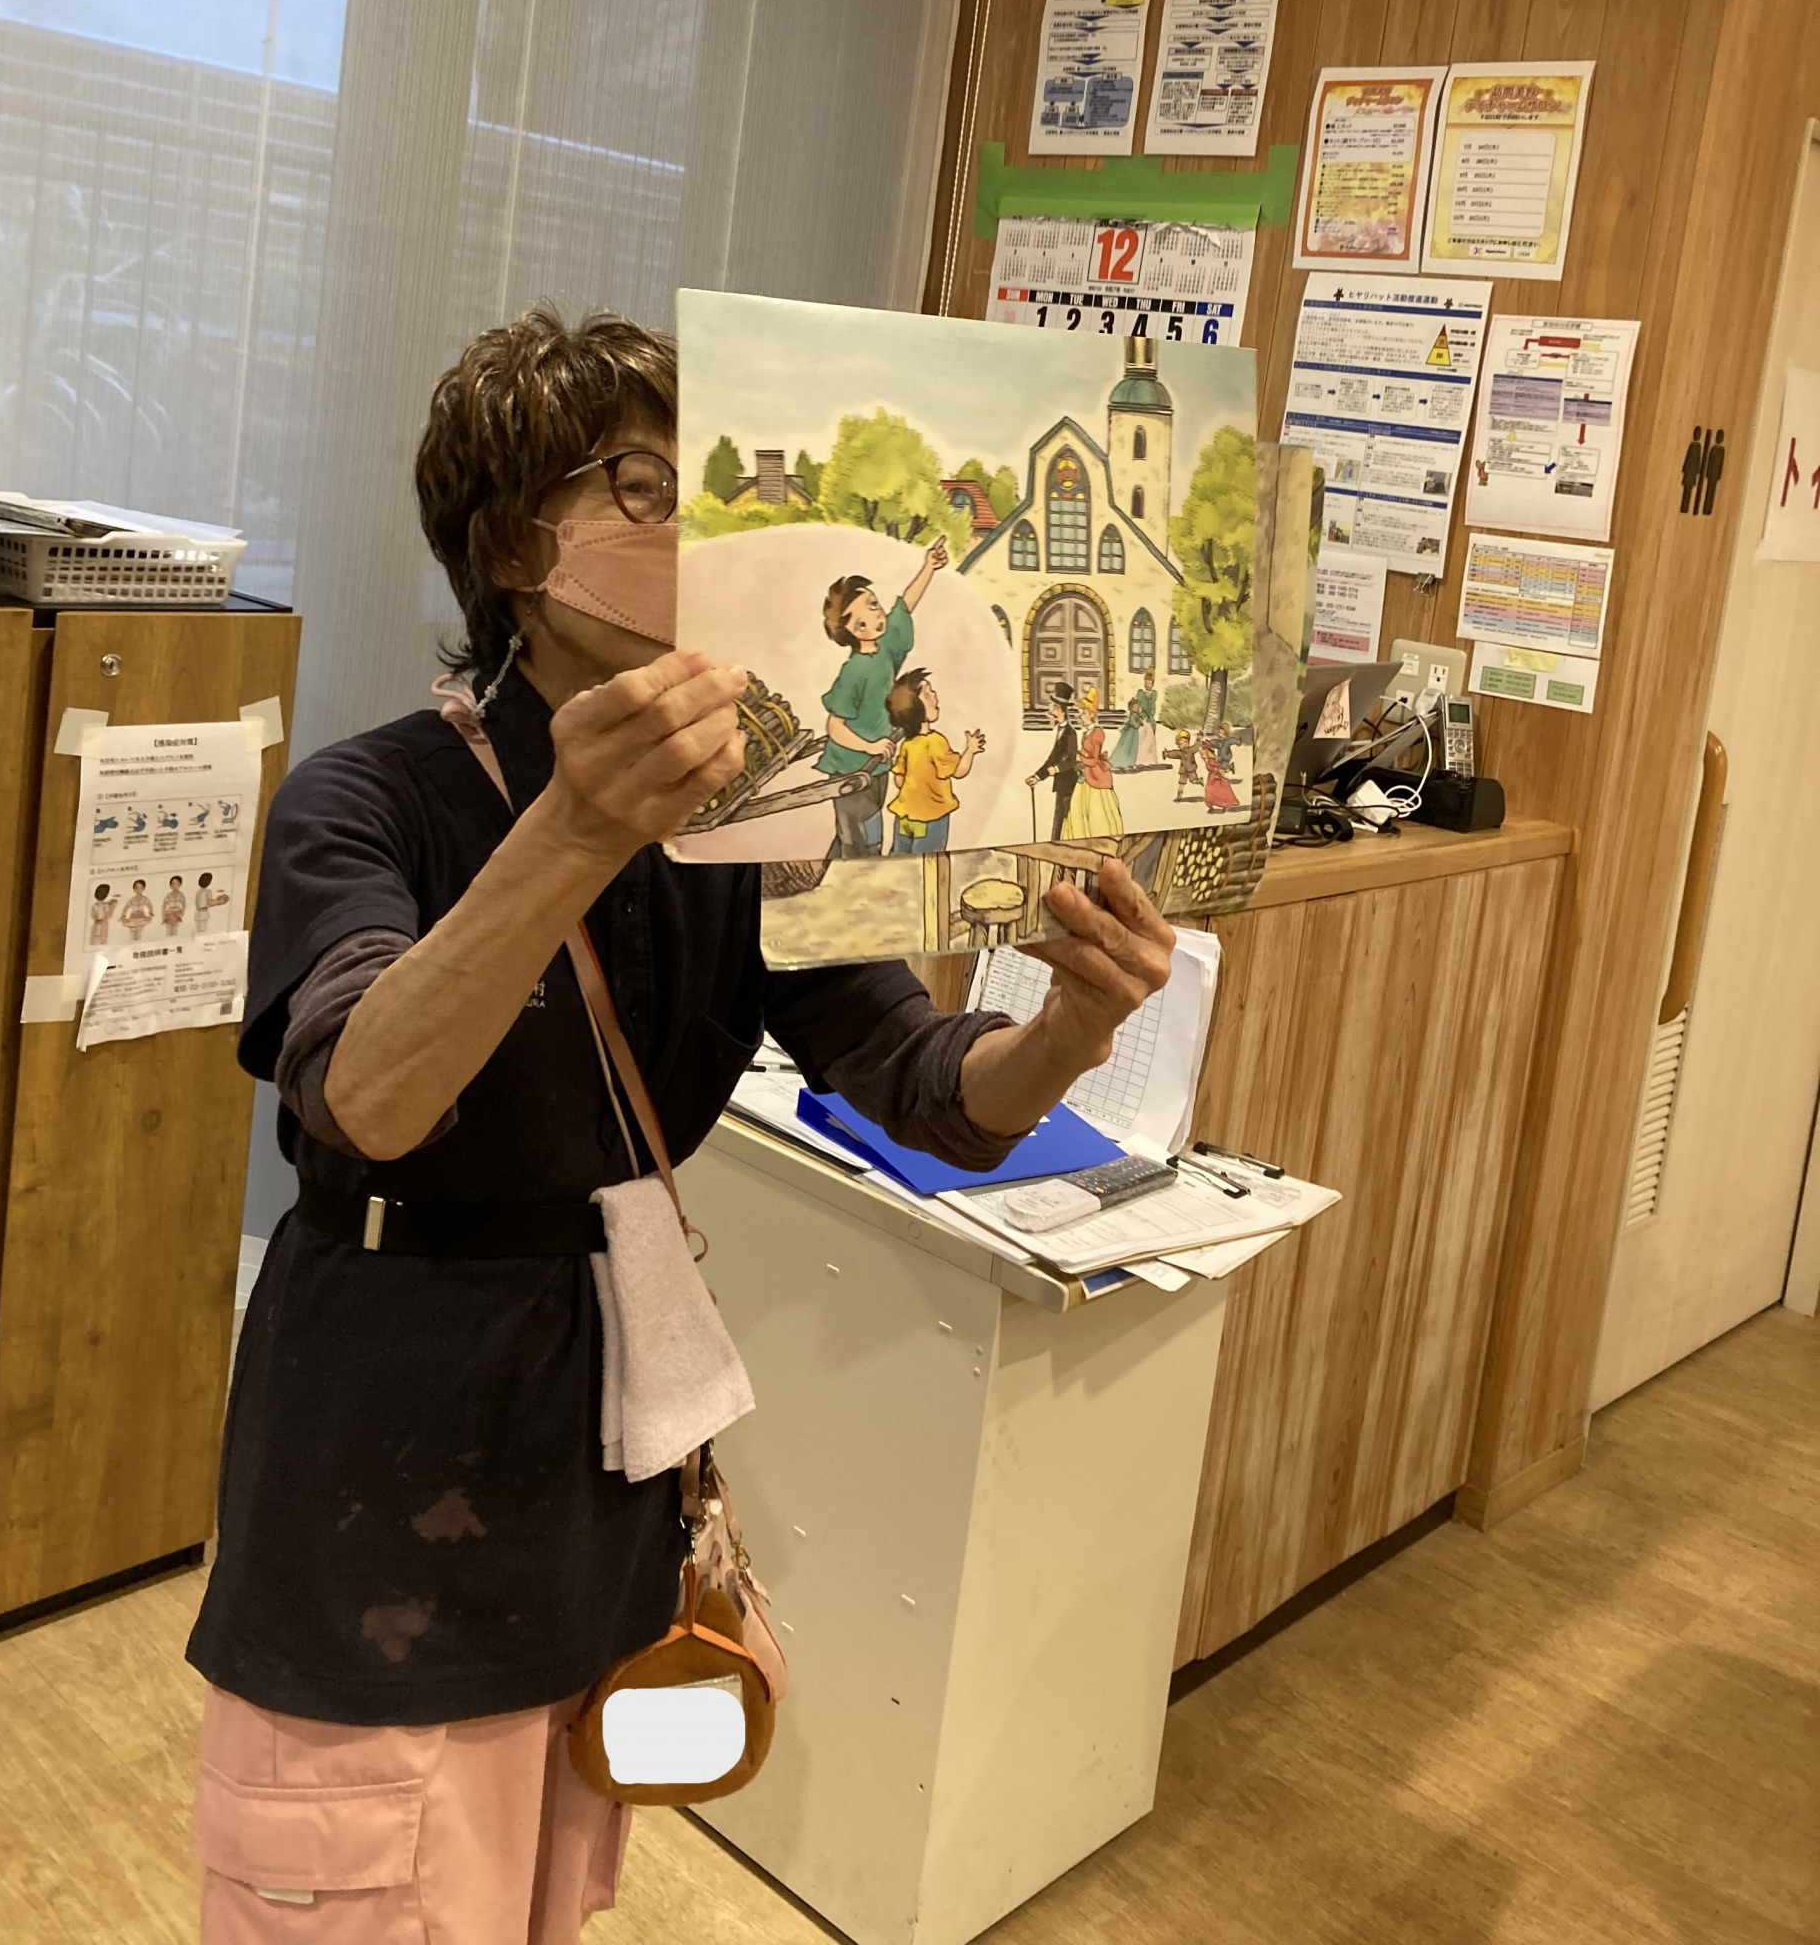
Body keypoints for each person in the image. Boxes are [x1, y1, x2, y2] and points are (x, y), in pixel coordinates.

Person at [185, 306, 1174, 1944]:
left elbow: (931, 1091)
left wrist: (1071, 1030)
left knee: (549, 1904)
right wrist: (573, 831)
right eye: (644, 487)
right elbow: (365, 1097)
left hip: (606, 1492)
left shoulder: (752, 823)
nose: (697, 527)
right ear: (514, 548)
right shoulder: (365, 799)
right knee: (366, 1888)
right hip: (379, 1491)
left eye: (705, 483)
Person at [816, 540, 948, 856]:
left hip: (877, 763)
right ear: (850, 632)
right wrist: (869, 746)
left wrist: (929, 567)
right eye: (860, 623)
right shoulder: (854, 671)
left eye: (874, 605)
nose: (874, 620)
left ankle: (834, 873)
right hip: (851, 766)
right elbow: (834, 726)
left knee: (857, 834)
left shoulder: (885, 648)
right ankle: (854, 879)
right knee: (864, 838)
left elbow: (905, 606)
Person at [884, 666, 983, 854]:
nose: (935, 696)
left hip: (904, 816)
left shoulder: (907, 744)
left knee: (899, 858)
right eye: (928, 695)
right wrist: (970, 750)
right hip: (931, 816)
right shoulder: (935, 742)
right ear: (916, 710)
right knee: (927, 861)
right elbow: (959, 772)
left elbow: (899, 780)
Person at [1025, 680, 1080, 839]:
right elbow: (1052, 759)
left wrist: (1056, 769)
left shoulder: (1070, 733)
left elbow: (1071, 760)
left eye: (1054, 708)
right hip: (1061, 784)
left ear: (1062, 711)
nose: (1051, 711)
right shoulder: (1059, 731)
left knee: (1069, 822)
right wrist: (1037, 777)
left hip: (1069, 784)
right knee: (1058, 822)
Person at [1066, 697, 1124, 840]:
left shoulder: (1097, 732)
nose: (1080, 716)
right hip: (1085, 774)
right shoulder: (1086, 732)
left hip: (1095, 776)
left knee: (1097, 813)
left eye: (1084, 713)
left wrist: (1080, 758)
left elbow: (1093, 760)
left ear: (1092, 715)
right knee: (1077, 808)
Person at [1111, 668, 1160, 773]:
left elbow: (1152, 708)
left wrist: (1149, 716)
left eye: (1150, 683)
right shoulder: (1140, 693)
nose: (1148, 685)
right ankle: (1138, 760)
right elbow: (1138, 705)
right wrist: (1140, 715)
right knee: (1139, 739)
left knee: (1149, 739)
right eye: (1146, 683)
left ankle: (1149, 760)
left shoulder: (1153, 694)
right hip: (1140, 717)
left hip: (1148, 719)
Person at [1201, 723, 1241, 815]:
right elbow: (1213, 743)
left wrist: (1237, 742)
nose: (1219, 734)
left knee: (1222, 773)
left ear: (1225, 733)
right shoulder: (1218, 742)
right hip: (1219, 759)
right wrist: (1208, 744)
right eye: (1218, 732)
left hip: (1226, 758)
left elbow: (1233, 740)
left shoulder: (1227, 741)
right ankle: (1229, 769)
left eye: (1221, 732)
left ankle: (1223, 797)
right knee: (1221, 771)